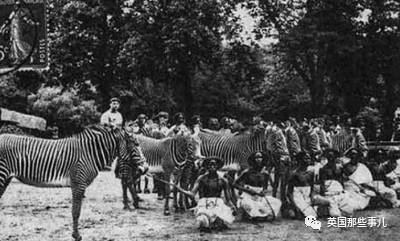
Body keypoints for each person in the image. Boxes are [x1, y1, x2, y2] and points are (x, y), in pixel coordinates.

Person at [185, 157, 236, 231]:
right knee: (203, 221)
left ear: (217, 166)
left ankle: (218, 222)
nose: (212, 167)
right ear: (207, 167)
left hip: (218, 203)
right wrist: (185, 192)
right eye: (210, 165)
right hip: (204, 203)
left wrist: (232, 206)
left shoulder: (223, 180)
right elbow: (192, 193)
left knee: (218, 221)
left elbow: (228, 198)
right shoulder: (201, 178)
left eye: (214, 165)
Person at [234, 152, 282, 221]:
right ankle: (250, 214)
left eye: (260, 157)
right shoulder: (247, 172)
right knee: (249, 205)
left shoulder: (265, 174)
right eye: (256, 158)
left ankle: (258, 214)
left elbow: (265, 187)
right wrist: (247, 190)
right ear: (253, 160)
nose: (258, 159)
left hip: (259, 196)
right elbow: (235, 184)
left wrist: (264, 191)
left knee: (276, 202)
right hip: (248, 195)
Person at [0, 0, 38, 64]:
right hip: (12, 29)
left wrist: (33, 23)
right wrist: (2, 27)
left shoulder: (21, 12)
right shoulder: (13, 12)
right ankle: (17, 58)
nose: (15, 6)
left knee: (18, 43)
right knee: (13, 43)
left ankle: (29, 54)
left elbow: (26, 19)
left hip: (17, 29)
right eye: (15, 5)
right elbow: (8, 20)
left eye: (16, 5)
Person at [341, 148, 375, 212]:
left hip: (361, 190)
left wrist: (364, 187)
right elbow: (344, 180)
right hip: (349, 189)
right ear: (350, 156)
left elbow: (368, 181)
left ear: (358, 157)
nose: (354, 157)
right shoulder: (345, 167)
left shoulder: (362, 167)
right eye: (352, 155)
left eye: (356, 155)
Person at [287, 152, 318, 218]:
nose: (308, 160)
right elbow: (289, 192)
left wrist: (312, 198)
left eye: (309, 158)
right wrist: (294, 205)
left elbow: (312, 188)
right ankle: (293, 209)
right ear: (300, 160)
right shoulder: (294, 174)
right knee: (310, 215)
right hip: (298, 196)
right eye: (306, 159)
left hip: (307, 196)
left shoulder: (311, 173)